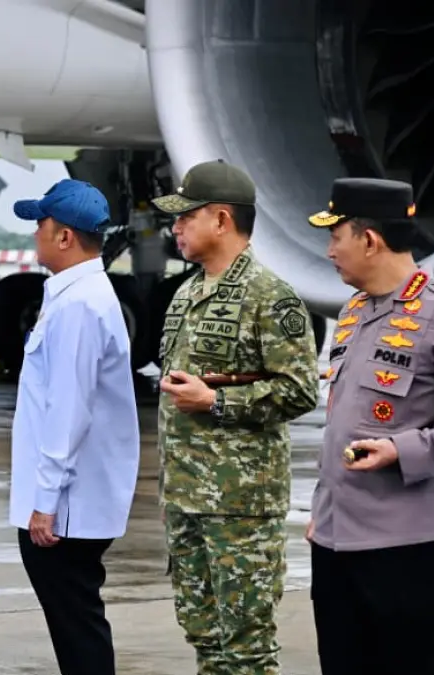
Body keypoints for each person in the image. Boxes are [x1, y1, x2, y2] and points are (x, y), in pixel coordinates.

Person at [150, 160, 320, 675]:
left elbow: (299, 390)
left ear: (221, 220)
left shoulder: (270, 297)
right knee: (204, 635)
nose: (175, 226)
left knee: (246, 646)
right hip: (186, 496)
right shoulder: (186, 293)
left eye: (186, 217)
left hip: (240, 508)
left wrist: (217, 402)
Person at [305, 177, 434, 675]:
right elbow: (343, 419)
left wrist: (407, 451)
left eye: (336, 237)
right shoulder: (355, 310)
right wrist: (321, 510)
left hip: (404, 547)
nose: (329, 251)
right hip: (334, 540)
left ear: (369, 240)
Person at [8, 179, 140, 675]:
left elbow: (69, 409)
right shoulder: (75, 295)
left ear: (64, 237)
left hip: (68, 505)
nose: (35, 234)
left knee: (76, 622)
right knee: (75, 620)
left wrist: (46, 501)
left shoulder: (80, 305)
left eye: (41, 224)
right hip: (72, 499)